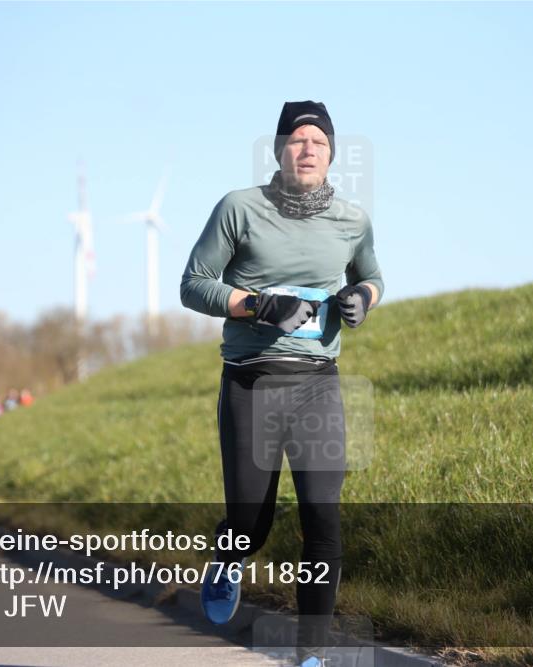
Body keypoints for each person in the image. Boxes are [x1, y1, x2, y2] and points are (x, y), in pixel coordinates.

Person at [180, 101, 383, 667]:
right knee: (251, 522)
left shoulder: (352, 220)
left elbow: (372, 274)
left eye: (319, 141)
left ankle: (311, 656)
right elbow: (193, 284)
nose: (308, 148)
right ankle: (228, 556)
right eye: (297, 139)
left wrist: (362, 297)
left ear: (331, 154)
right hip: (252, 380)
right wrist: (258, 305)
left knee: (323, 518)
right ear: (278, 150)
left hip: (318, 383)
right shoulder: (239, 208)